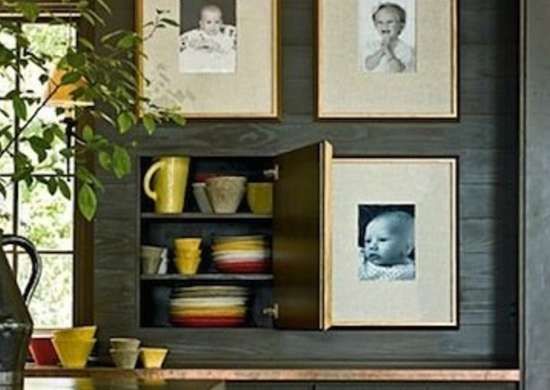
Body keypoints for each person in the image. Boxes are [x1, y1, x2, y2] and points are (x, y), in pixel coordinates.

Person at [179, 4, 237, 73]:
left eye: (217, 22)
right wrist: (199, 44)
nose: (213, 26)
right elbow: (189, 42)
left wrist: (216, 46)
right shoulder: (198, 34)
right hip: (201, 58)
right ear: (201, 24)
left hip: (217, 59)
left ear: (221, 23)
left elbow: (228, 47)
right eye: (209, 22)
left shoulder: (223, 35)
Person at [359, 210, 415, 281]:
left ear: (407, 248)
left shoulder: (407, 274)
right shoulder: (361, 259)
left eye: (382, 240)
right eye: (368, 241)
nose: (372, 246)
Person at [363, 2, 416, 73]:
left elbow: (398, 70)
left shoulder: (405, 49)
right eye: (380, 22)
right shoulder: (372, 45)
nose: (385, 25)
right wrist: (382, 50)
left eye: (390, 22)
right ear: (375, 25)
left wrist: (388, 51)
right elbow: (368, 66)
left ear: (401, 25)